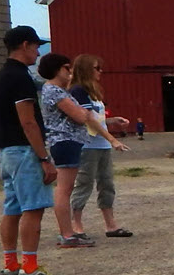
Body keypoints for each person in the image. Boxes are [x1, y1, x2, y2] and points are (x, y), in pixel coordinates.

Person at [0, 26, 55, 275]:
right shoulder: (20, 77)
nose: (38, 53)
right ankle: (29, 267)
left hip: (6, 151)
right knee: (33, 209)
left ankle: (10, 265)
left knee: (12, 208)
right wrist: (44, 158)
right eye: (37, 47)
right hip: (24, 150)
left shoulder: (0, 75)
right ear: (25, 45)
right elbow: (28, 122)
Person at [68, 54, 133, 240]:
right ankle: (76, 225)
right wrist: (113, 139)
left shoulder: (93, 92)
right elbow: (87, 119)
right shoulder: (78, 91)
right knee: (84, 183)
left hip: (101, 144)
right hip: (87, 146)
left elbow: (96, 119)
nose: (100, 72)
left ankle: (111, 225)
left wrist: (112, 121)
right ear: (86, 69)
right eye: (97, 68)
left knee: (107, 183)